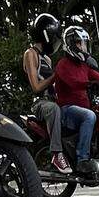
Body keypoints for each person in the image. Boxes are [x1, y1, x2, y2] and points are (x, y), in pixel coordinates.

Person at [51, 26, 99, 197]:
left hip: (83, 108)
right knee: (90, 116)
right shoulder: (63, 65)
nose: (83, 47)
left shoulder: (83, 65)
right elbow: (74, 82)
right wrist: (90, 83)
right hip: (67, 111)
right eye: (79, 43)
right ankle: (82, 159)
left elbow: (97, 76)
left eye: (84, 43)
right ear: (71, 44)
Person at [23, 13, 68, 174]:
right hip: (41, 103)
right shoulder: (31, 54)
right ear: (46, 36)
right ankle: (57, 153)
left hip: (54, 100)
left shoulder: (47, 59)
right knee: (53, 109)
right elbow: (36, 86)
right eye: (54, 37)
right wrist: (56, 75)